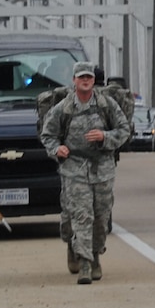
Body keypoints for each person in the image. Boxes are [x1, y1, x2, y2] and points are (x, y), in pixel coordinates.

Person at [40, 61, 127, 284]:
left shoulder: (106, 105)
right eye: (81, 77)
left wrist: (105, 137)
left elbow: (124, 130)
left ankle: (95, 253)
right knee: (81, 214)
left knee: (101, 217)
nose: (85, 80)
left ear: (93, 80)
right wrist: (56, 149)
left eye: (88, 77)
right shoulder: (64, 108)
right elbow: (48, 135)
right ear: (74, 81)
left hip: (102, 168)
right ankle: (85, 263)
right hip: (74, 167)